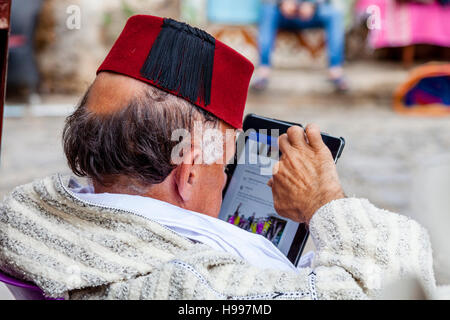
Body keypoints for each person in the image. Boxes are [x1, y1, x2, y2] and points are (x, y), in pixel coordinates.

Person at [0, 15, 436, 300]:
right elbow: (393, 291)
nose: (227, 179)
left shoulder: (22, 214)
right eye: (224, 162)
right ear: (188, 173)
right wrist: (326, 204)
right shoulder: (195, 287)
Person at [252, 0, 348, 91]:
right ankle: (263, 70)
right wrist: (281, 3)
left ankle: (335, 70)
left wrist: (312, 4)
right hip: (283, 13)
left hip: (313, 13)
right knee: (267, 11)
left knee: (334, 14)